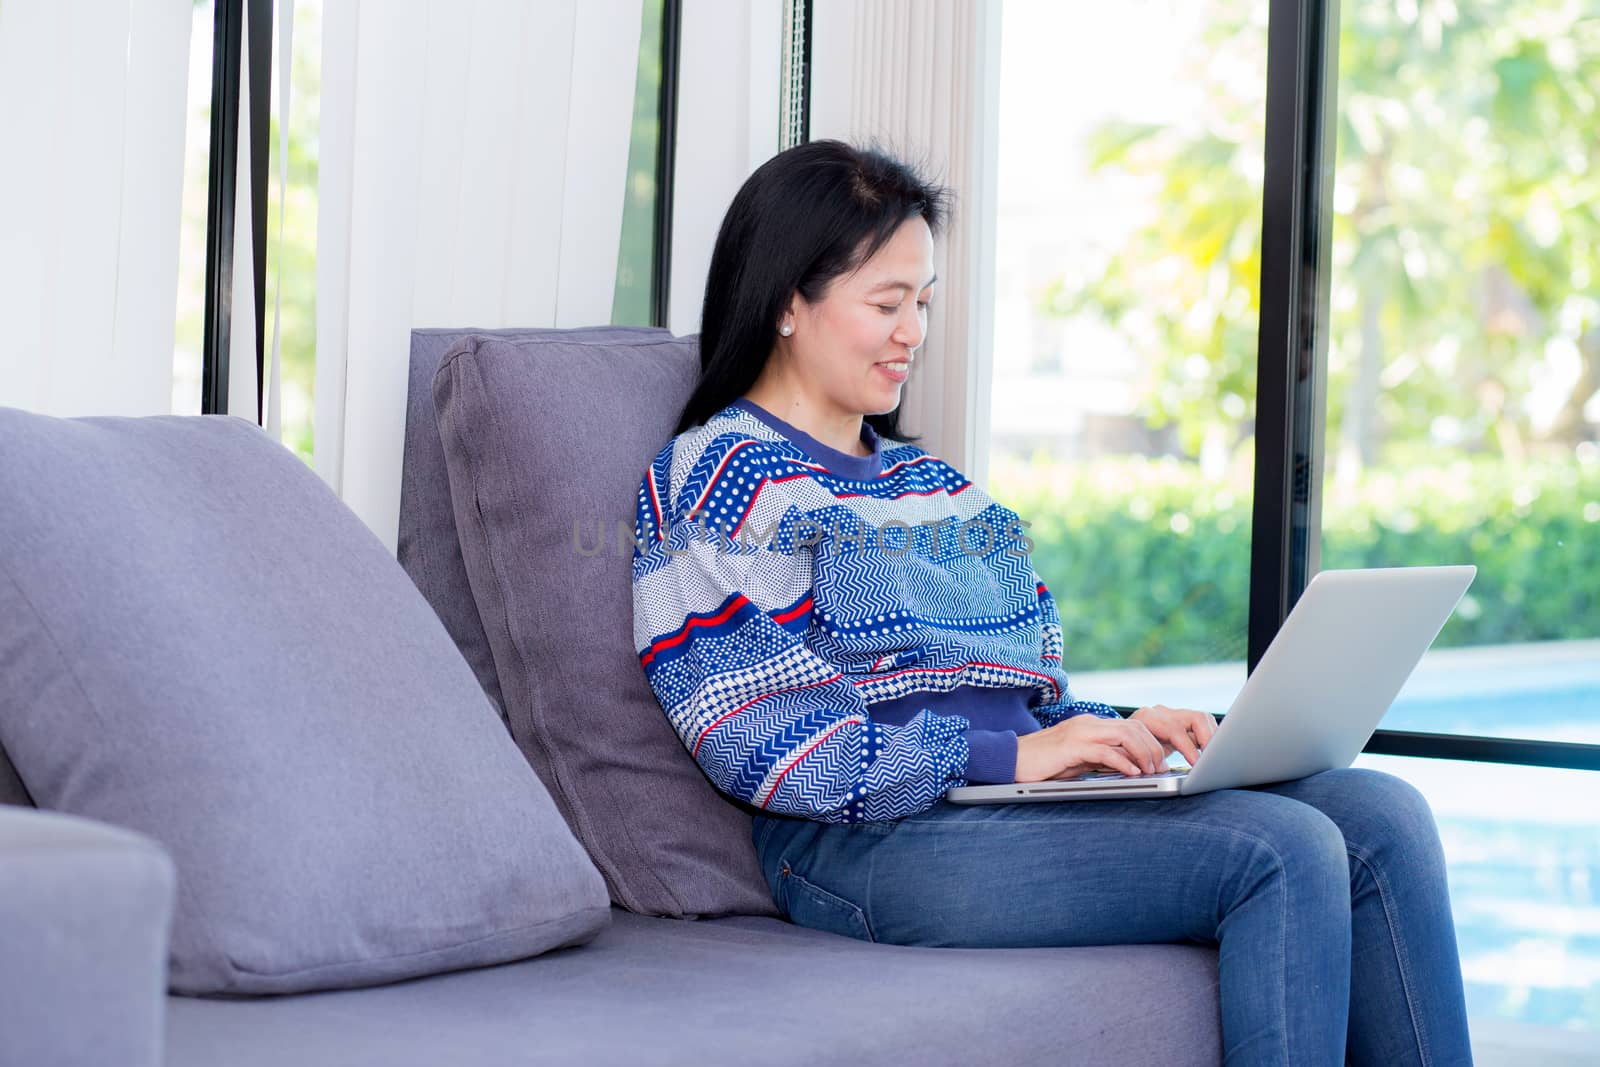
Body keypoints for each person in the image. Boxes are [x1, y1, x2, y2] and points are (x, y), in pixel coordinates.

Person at [629, 139, 1473, 1066]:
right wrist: (1014, 754)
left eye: (924, 302)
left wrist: (1117, 732)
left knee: (1385, 815)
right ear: (791, 300)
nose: (913, 330)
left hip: (1000, 799)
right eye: (886, 303)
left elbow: (1025, 698)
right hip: (861, 841)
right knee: (1278, 850)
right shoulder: (716, 476)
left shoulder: (944, 488)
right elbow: (765, 741)